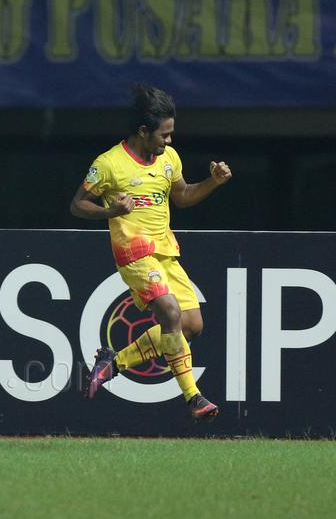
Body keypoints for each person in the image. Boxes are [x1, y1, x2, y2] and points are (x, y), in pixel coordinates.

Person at [71, 84, 231, 420]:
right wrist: (110, 212)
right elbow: (77, 205)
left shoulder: (169, 159)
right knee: (170, 314)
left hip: (165, 251)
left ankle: (113, 362)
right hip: (133, 251)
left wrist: (213, 182)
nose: (169, 141)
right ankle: (194, 398)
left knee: (192, 324)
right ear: (144, 132)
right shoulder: (109, 164)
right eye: (164, 134)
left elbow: (183, 196)